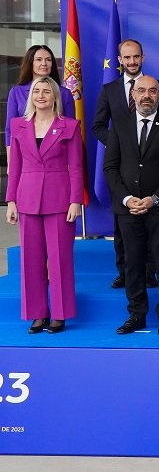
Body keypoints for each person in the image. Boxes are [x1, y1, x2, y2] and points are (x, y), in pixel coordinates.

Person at [105, 76, 159, 336]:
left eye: (152, 91)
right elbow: (110, 167)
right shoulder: (118, 126)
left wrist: (155, 199)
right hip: (128, 209)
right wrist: (127, 199)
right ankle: (136, 314)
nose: (147, 95)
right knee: (133, 264)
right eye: (141, 90)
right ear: (133, 96)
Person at [92, 39, 159, 289]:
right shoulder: (110, 90)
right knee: (122, 222)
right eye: (126, 58)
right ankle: (125, 271)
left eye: (136, 57)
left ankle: (149, 272)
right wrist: (122, 144)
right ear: (119, 60)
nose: (131, 61)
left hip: (153, 166)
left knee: (152, 222)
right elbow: (97, 126)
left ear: (143, 57)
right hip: (122, 167)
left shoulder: (158, 87)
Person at [6, 77, 83, 333]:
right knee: (31, 260)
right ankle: (37, 313)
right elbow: (14, 167)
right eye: (36, 91)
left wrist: (75, 201)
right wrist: (11, 201)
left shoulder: (69, 126)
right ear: (31, 97)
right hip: (26, 199)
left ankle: (60, 314)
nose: (41, 95)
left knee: (60, 259)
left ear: (54, 97)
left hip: (60, 201)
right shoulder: (18, 126)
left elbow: (75, 167)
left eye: (46, 91)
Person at [4, 45, 75, 149]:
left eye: (48, 60)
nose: (44, 64)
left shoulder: (64, 93)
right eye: (38, 59)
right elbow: (10, 129)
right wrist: (10, 160)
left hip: (56, 154)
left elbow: (71, 130)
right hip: (24, 153)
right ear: (30, 63)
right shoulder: (16, 92)